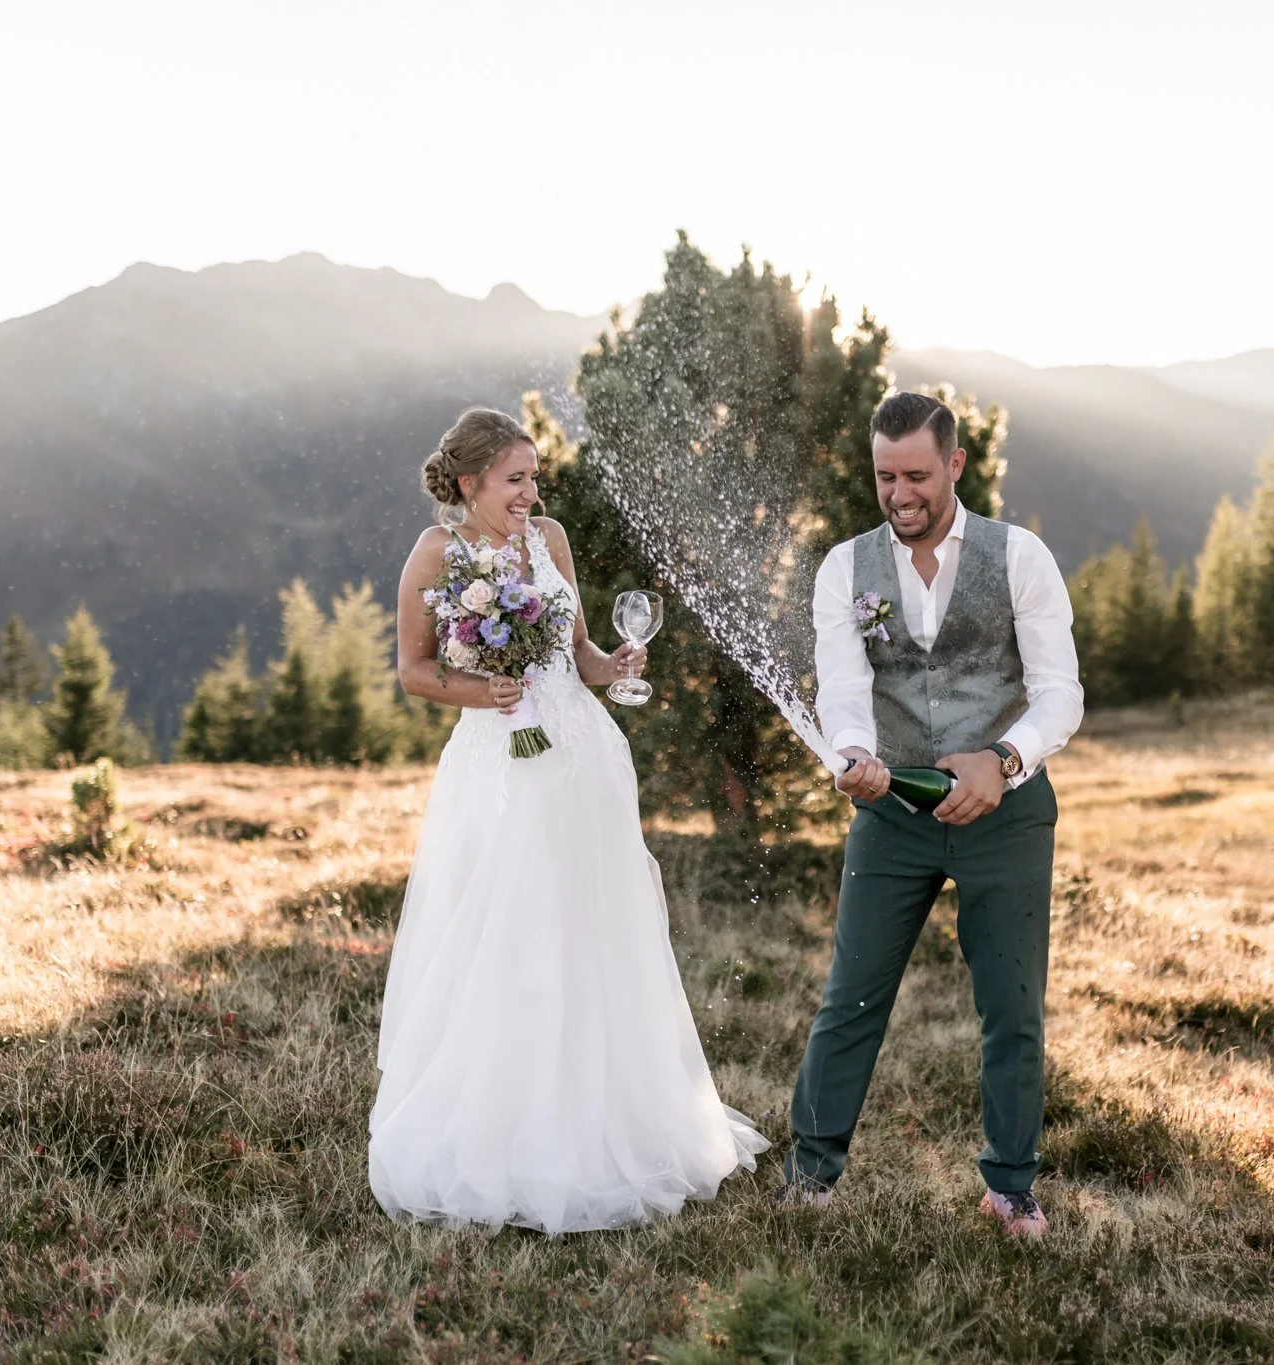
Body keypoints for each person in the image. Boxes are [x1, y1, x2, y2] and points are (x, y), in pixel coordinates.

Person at [368, 405, 766, 1233]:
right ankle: (510, 1133)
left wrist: (613, 663)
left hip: (582, 755)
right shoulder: (437, 554)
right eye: (515, 478)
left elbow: (577, 654)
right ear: (471, 481)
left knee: (594, 928)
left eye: (535, 476)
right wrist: (484, 689)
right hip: (501, 764)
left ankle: (610, 1117)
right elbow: (413, 668)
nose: (531, 491)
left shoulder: (549, 539)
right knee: (512, 933)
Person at [781, 391, 1084, 1238]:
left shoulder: (1020, 556)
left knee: (1012, 1004)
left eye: (917, 473)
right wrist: (852, 755)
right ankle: (811, 1174)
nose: (900, 493)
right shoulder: (845, 568)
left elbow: (1061, 693)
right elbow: (842, 688)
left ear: (955, 464)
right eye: (885, 476)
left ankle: (1011, 1185)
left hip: (1008, 814)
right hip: (893, 812)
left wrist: (1005, 760)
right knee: (851, 995)